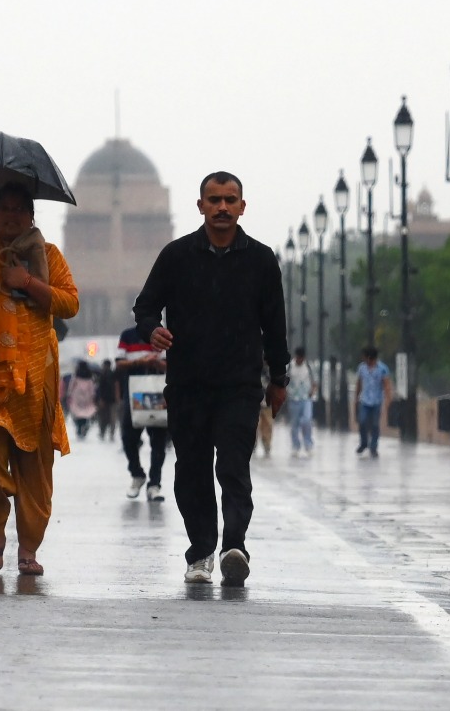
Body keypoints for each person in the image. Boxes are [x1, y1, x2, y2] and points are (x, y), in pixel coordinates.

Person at [132, 171, 288, 588]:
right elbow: (145, 307)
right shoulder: (177, 256)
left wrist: (279, 378)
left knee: (234, 466)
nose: (222, 207)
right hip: (188, 384)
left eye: (229, 199)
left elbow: (275, 325)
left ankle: (234, 547)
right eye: (214, 199)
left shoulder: (261, 260)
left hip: (240, 386)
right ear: (200, 206)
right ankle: (201, 551)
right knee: (192, 470)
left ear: (242, 207)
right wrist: (152, 329)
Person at [0, 182, 79, 576]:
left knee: (35, 469)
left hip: (34, 378)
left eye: (19, 209)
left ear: (31, 216)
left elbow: (70, 303)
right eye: (4, 209)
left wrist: (27, 282)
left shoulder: (48, 255)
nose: (11, 216)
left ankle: (27, 549)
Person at [115, 325, 167, 502]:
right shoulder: (128, 335)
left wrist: (155, 363)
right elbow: (119, 363)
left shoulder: (163, 334)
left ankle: (154, 484)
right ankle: (137, 473)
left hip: (156, 393)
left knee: (158, 441)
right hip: (133, 394)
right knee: (128, 438)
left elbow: (170, 364)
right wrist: (139, 362)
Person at [354, 346, 392, 458]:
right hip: (365, 400)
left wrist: (388, 400)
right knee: (362, 421)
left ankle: (373, 447)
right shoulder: (361, 368)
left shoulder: (383, 369)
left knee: (375, 425)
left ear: (369, 357)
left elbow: (386, 385)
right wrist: (356, 397)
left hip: (376, 401)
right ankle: (364, 443)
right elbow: (359, 383)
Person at [287, 347, 316, 458]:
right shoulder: (289, 367)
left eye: (301, 358)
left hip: (306, 398)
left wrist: (312, 391)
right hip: (293, 399)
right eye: (298, 358)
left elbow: (314, 381)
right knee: (294, 424)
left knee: (307, 420)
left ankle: (308, 444)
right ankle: (295, 446)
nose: (299, 360)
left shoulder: (308, 366)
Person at [67, 361, 98, 440]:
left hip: (77, 396)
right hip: (87, 398)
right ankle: (84, 426)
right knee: (85, 413)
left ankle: (79, 428)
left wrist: (69, 395)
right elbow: (92, 388)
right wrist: (93, 396)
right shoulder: (89, 376)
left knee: (77, 414)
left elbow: (71, 386)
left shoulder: (76, 376)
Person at [95, 359, 117, 441]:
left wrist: (100, 399)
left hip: (104, 399)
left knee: (103, 417)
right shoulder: (113, 374)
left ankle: (102, 432)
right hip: (112, 400)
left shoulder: (102, 375)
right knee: (112, 418)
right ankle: (111, 434)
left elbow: (100, 388)